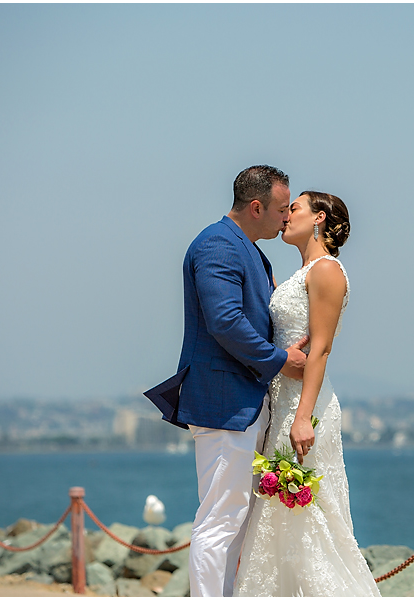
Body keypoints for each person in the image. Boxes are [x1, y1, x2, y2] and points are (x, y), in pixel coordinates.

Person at [145, 165, 309, 597]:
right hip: (222, 403)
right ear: (256, 207)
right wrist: (280, 360)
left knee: (236, 520)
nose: (285, 218)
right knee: (220, 519)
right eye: (279, 210)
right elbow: (225, 321)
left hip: (244, 402)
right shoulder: (218, 244)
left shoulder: (251, 250)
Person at [234, 191, 381, 597]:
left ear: (318, 218)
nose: (285, 216)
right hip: (278, 402)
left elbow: (321, 348)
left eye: (293, 208)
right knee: (278, 516)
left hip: (304, 406)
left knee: (309, 515)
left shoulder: (328, 270)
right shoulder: (300, 273)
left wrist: (302, 416)